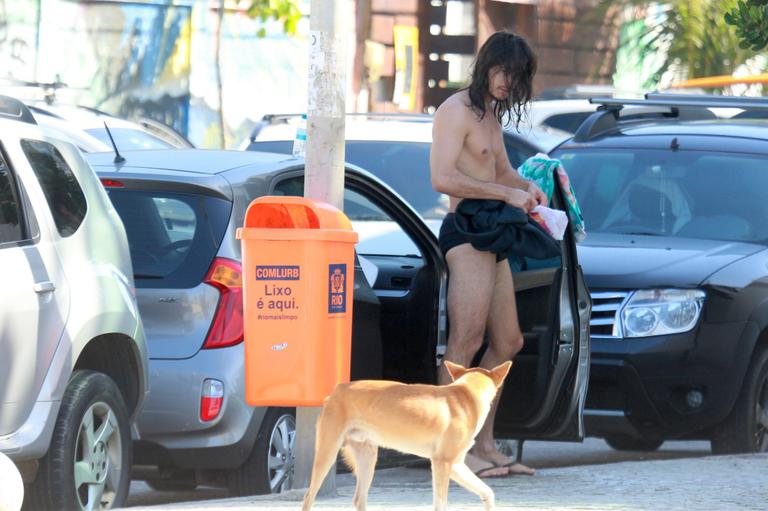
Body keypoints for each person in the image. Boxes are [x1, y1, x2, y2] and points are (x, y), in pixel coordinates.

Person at [430, 30, 545, 478]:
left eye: (514, 77)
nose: (505, 82)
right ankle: (450, 452)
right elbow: (441, 178)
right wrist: (503, 192)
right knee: (465, 340)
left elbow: (500, 169)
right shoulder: (454, 111)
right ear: (485, 65)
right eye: (501, 71)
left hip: (492, 233)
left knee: (509, 340)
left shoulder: (491, 117)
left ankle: (484, 442)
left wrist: (526, 187)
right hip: (465, 231)